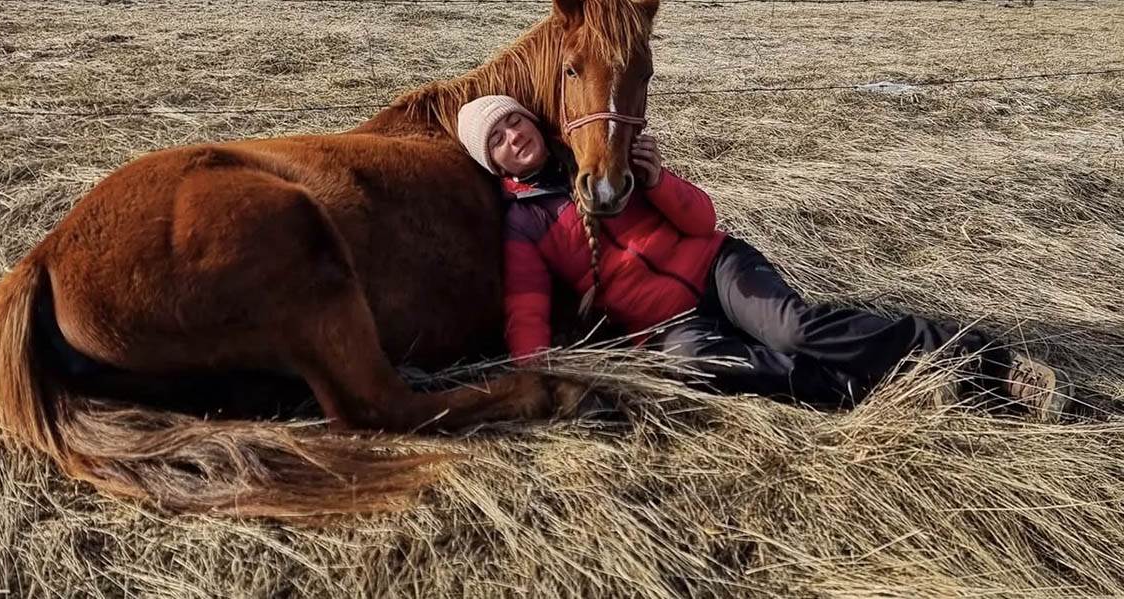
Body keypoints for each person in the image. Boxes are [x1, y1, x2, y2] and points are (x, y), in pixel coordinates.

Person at [456, 94, 1071, 419]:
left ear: (532, 121)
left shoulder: (602, 156)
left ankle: (978, 358)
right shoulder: (525, 223)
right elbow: (526, 306)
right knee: (702, 368)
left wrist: (659, 180)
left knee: (792, 328)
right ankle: (889, 385)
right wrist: (533, 376)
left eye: (515, 122)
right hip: (666, 327)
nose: (514, 137)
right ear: (494, 161)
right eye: (498, 139)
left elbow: (702, 220)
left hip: (716, 267)